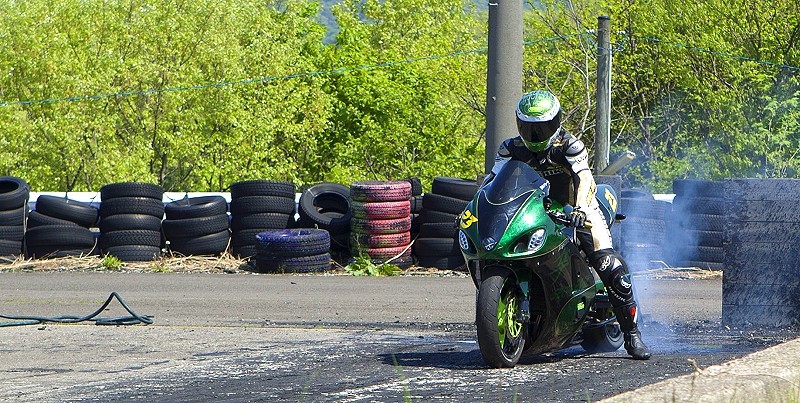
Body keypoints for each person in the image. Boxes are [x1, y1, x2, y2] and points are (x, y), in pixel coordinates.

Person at [486, 90, 651, 360]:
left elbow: (584, 178)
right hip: (534, 209)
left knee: (608, 265)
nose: (535, 135)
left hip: (575, 207)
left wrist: (580, 209)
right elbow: (493, 180)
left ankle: (632, 334)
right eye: (529, 127)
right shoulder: (510, 148)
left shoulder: (570, 145)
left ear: (556, 122)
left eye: (542, 128)